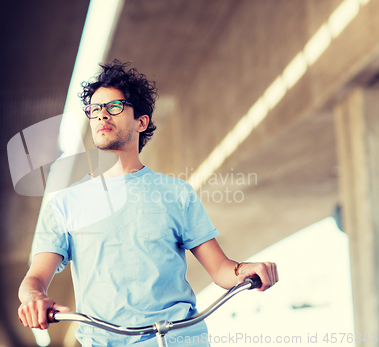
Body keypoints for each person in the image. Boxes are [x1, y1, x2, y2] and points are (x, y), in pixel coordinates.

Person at [18, 60, 278, 346]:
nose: (102, 114)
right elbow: (34, 280)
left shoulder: (176, 193)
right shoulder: (66, 202)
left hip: (178, 340)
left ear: (141, 121)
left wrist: (245, 271)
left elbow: (221, 270)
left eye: (115, 106)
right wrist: (35, 299)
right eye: (95, 109)